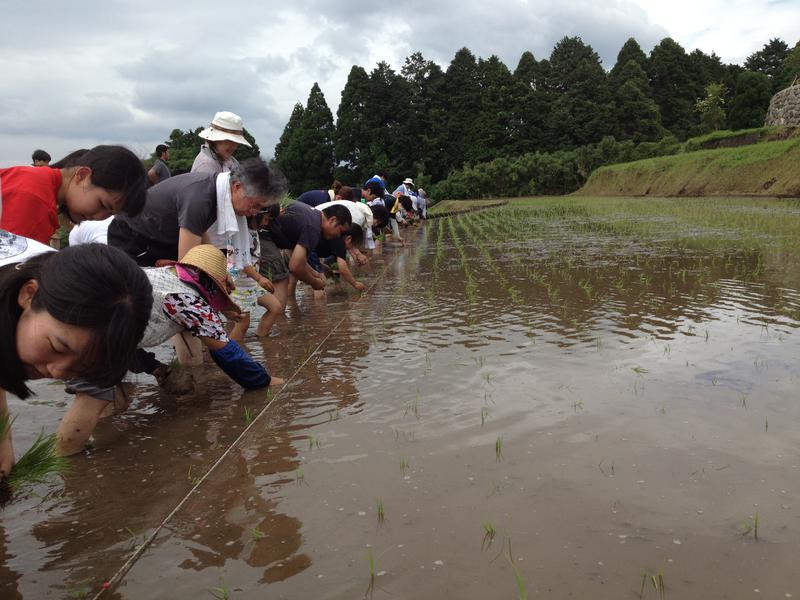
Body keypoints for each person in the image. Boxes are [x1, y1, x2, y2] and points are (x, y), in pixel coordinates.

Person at [56, 245, 284, 455]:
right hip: (93, 336)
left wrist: (155, 367)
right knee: (92, 398)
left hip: (78, 318)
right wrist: (263, 380)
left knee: (111, 405)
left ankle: (99, 460)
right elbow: (227, 353)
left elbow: (129, 339)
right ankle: (70, 467)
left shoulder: (160, 276)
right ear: (211, 284)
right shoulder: (188, 300)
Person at [0, 236, 153, 473]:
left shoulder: (65, 274)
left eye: (82, 366)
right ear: (29, 295)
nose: (57, 372)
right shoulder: (54, 287)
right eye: (57, 347)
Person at [108, 158, 284, 266]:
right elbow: (188, 262)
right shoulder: (200, 197)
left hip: (161, 239)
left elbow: (201, 235)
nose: (254, 212)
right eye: (254, 205)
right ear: (237, 187)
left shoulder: (218, 191)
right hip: (133, 237)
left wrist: (220, 271)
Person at [0, 145, 147, 245]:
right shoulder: (34, 199)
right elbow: (10, 271)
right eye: (102, 204)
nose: (99, 217)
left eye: (110, 214)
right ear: (82, 175)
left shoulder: (38, 182)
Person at [259, 202, 351, 310]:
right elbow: (295, 266)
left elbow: (294, 256)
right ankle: (280, 322)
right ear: (332, 220)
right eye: (340, 231)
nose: (338, 236)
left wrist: (314, 273)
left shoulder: (309, 212)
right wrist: (314, 282)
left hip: (260, 233)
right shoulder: (313, 228)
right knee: (281, 281)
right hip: (264, 236)